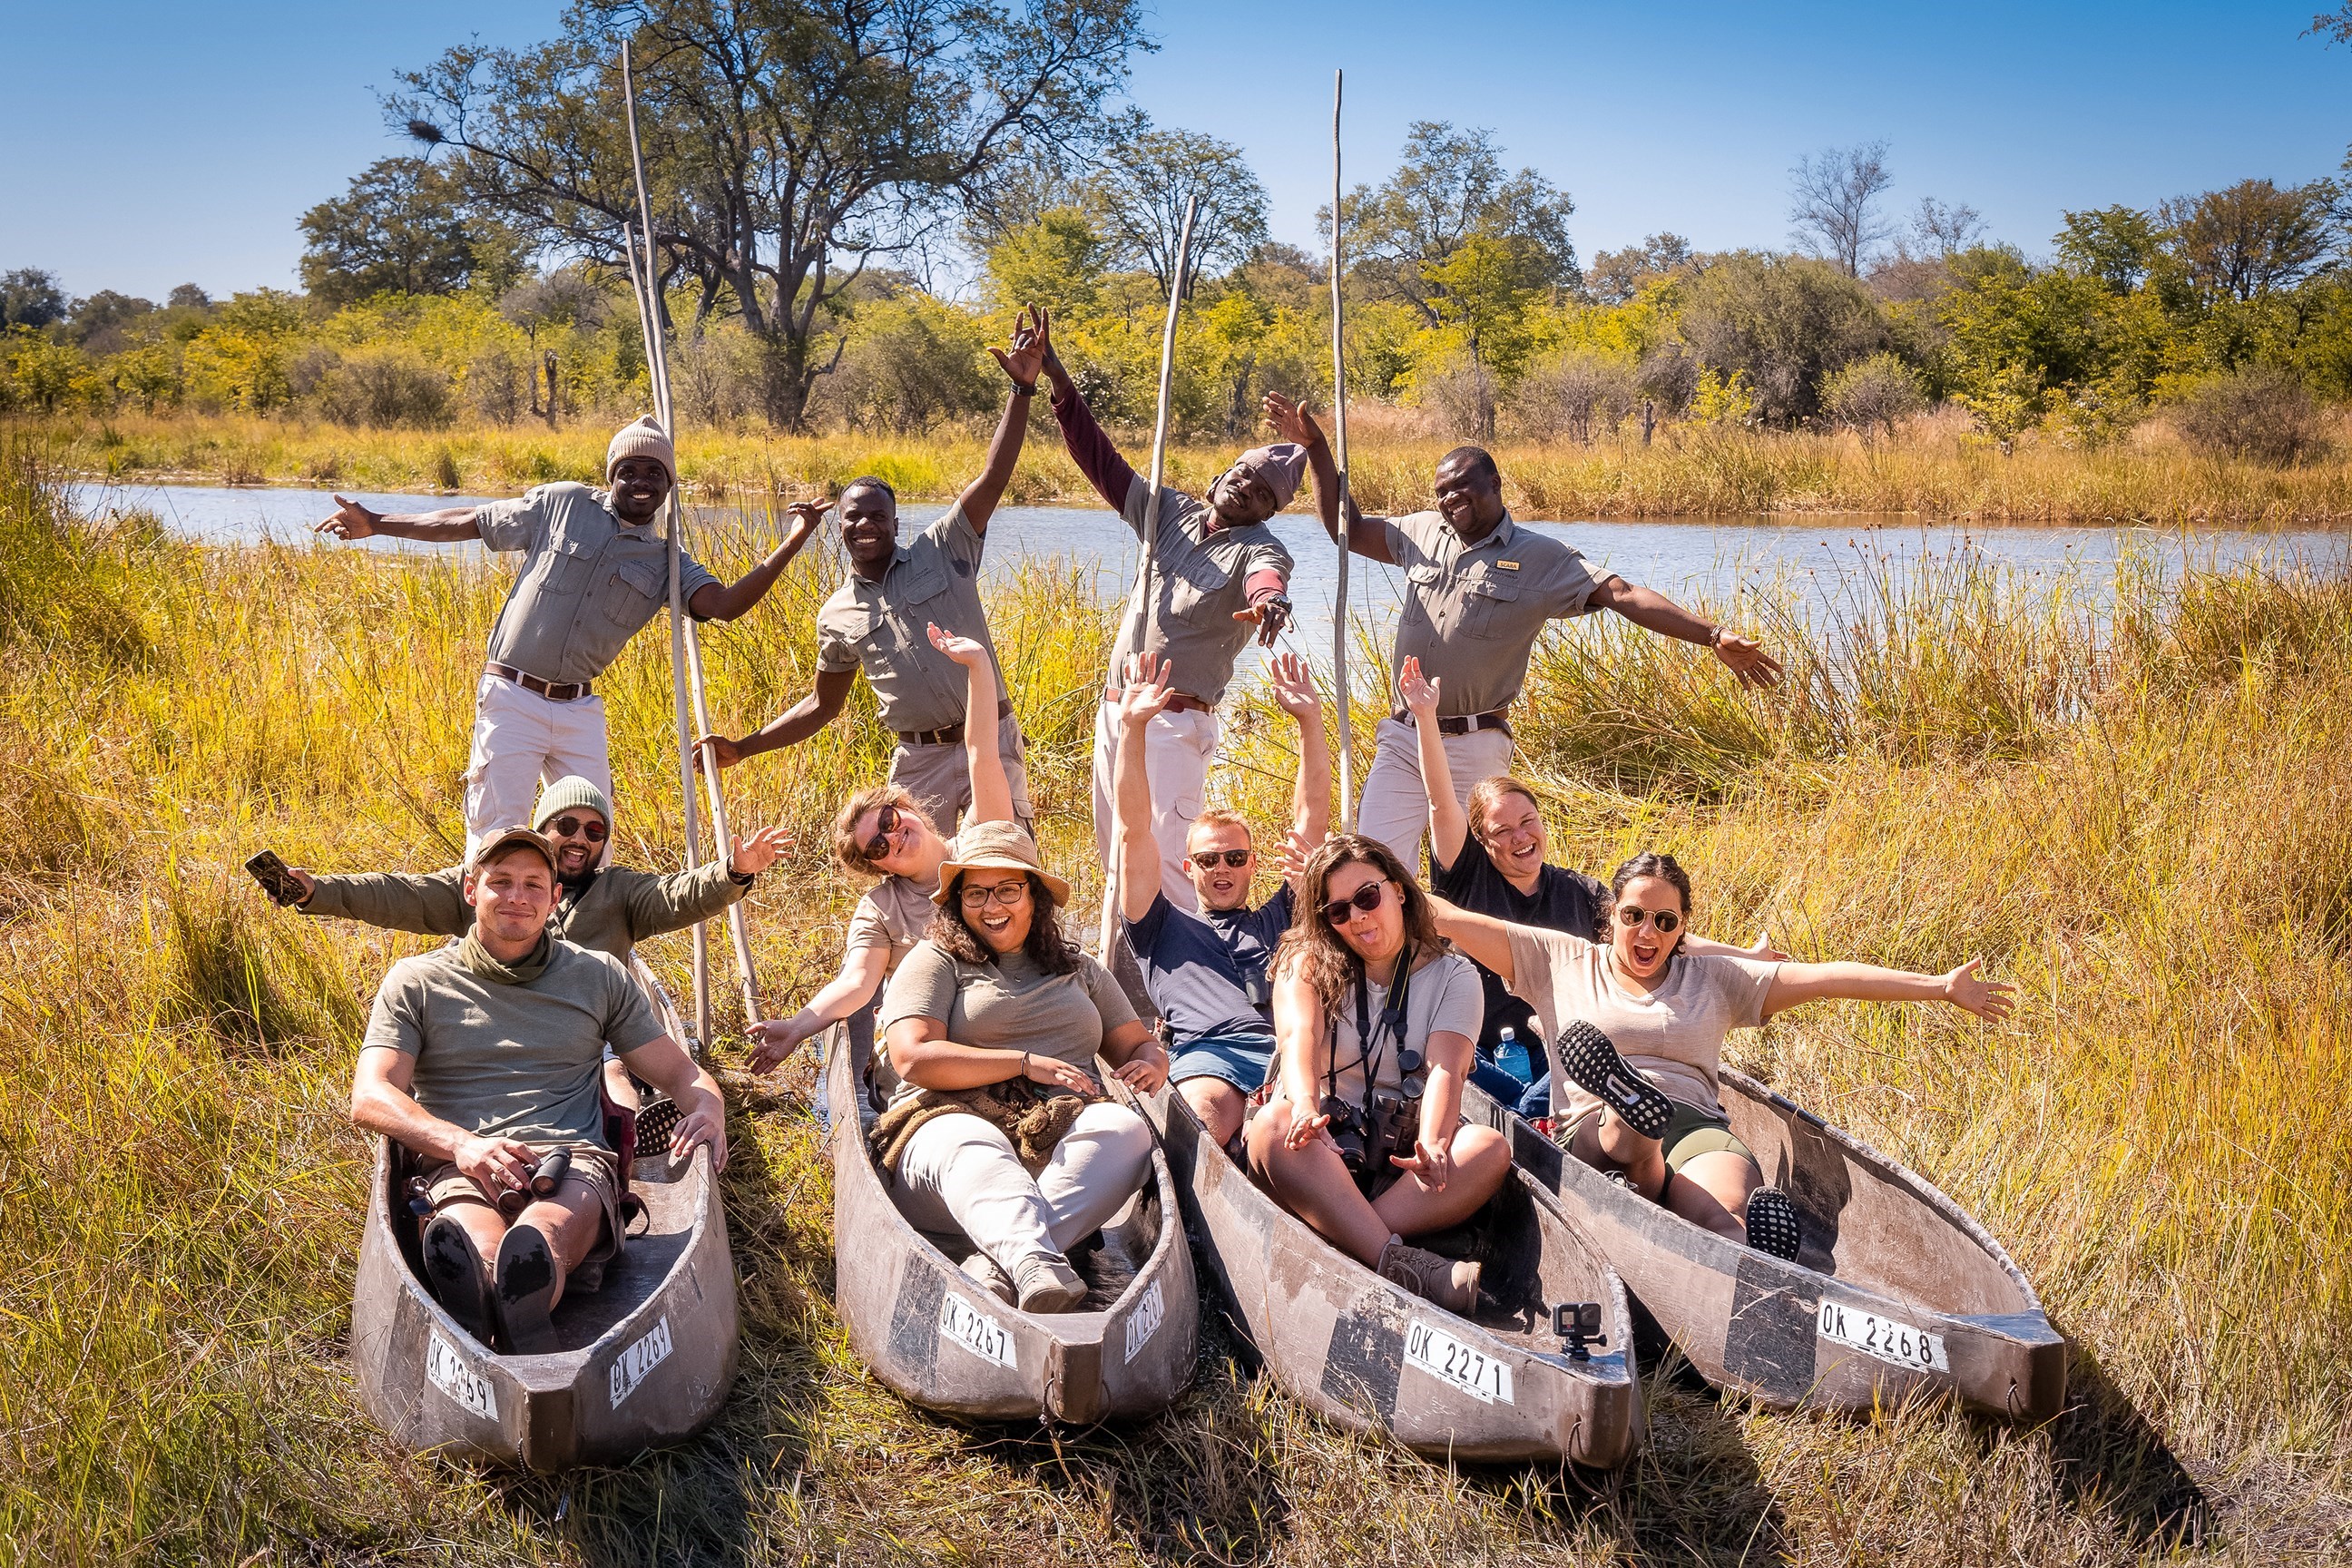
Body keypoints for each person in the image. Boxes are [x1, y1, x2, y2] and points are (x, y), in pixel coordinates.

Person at [1431, 850, 2014, 1260]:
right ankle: (1630, 1111)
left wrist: (1940, 986)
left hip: (1696, 1125)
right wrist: (1360, 878)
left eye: (1665, 921)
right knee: (1623, 1135)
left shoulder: (1713, 978)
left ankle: (1751, 1266)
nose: (1647, 932)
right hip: (1591, 1125)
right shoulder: (1559, 959)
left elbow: (1827, 978)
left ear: (1682, 928)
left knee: (1723, 1216)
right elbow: (1450, 918)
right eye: (1633, 916)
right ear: (1611, 915)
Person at [315, 416, 818, 859]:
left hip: (578, 711)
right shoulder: (563, 504)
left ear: (668, 485)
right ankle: (483, 947)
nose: (640, 482)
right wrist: (378, 523)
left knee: (592, 838)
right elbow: (470, 522)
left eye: (653, 473)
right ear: (611, 476)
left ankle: (579, 948)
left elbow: (724, 607)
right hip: (512, 696)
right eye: (629, 470)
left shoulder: (666, 560)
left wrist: (795, 538)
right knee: (496, 835)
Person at [1298, 443, 1786, 866]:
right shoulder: (1421, 532)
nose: (1450, 499)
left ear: (1495, 483)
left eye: (1462, 486)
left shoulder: (1543, 557)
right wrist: (1318, 448)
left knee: (1482, 871)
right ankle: (1391, 972)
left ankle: (1477, 969)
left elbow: (1622, 593)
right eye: (1442, 491)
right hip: (1404, 737)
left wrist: (1712, 634)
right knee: (1376, 862)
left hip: (1475, 745)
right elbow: (1349, 526)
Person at [348, 827, 728, 1352]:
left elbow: (679, 1073)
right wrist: (463, 1145)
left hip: (570, 1162)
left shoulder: (598, 975)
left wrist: (709, 1106)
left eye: (533, 884)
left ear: (554, 897)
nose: (516, 897)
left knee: (540, 1235)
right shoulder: (416, 981)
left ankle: (519, 1294)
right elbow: (370, 1095)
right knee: (474, 1235)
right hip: (457, 1162)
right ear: (469, 889)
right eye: (500, 882)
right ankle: (481, 1290)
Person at [696, 309, 1052, 834]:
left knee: (1004, 863)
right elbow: (822, 706)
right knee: (920, 881)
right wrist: (743, 748)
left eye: (877, 515)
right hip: (918, 761)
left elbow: (993, 477)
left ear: (894, 522)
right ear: (839, 526)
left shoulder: (943, 547)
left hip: (989, 740)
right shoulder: (838, 614)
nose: (865, 525)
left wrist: (1021, 392)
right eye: (853, 517)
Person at [1396, 657, 1779, 1116]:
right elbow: (1441, 802)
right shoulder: (1466, 874)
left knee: (1568, 1076)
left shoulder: (1577, 891)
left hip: (1560, 1049)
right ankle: (1544, 1112)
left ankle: (1561, 1108)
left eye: (1528, 822)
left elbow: (1658, 934)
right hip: (1479, 1051)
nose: (1521, 838)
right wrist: (1424, 717)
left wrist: (1745, 958)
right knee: (1504, 1094)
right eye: (1503, 831)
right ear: (1481, 840)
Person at [1039, 310, 1319, 907]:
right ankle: (1123, 992)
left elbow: (1268, 581)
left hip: (1172, 724)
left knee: (1165, 861)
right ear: (1223, 474)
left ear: (1268, 511)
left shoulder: (1259, 547)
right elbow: (1099, 459)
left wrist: (1270, 603)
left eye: (1264, 494)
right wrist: (1056, 376)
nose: (1247, 489)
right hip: (1117, 710)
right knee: (1114, 855)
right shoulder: (1167, 511)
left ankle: (1179, 994)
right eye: (1244, 477)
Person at [875, 820, 1169, 1312]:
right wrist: (1025, 1063)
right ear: (956, 902)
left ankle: (1003, 1268)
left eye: (1007, 890)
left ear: (1035, 895)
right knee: (978, 1145)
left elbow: (1139, 1047)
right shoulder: (937, 960)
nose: (991, 907)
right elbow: (912, 1057)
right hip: (945, 1132)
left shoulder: (1079, 969)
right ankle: (1031, 1261)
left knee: (1126, 1130)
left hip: (1057, 1141)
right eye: (975, 894)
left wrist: (1151, 1062)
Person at [1245, 836, 1513, 1314]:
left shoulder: (1455, 975)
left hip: (1396, 1160)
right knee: (1273, 1126)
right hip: (1321, 1150)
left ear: (1400, 892)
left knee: (1489, 1149)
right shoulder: (1303, 961)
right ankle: (1402, 1263)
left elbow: (1445, 1069)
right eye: (1339, 911)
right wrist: (1307, 1107)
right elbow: (1298, 1038)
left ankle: (1347, 1235)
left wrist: (1432, 1142)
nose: (1358, 918)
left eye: (1368, 898)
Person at [740, 624, 1017, 1084]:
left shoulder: (980, 843)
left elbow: (981, 751)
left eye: (889, 821)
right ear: (877, 866)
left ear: (906, 807)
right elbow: (857, 983)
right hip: (933, 1045)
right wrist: (797, 1026)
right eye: (877, 846)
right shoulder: (881, 909)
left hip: (1006, 1023)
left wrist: (978, 666)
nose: (893, 838)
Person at [1108, 651, 1328, 1148]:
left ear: (1253, 863)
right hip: (1209, 1053)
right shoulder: (1157, 924)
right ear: (1189, 869)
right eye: (1208, 860)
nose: (1222, 869)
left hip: (1292, 1051)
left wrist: (1310, 722)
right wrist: (1134, 728)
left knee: (1313, 1129)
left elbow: (1310, 823)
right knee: (1206, 1112)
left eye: (1234, 857)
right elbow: (1132, 831)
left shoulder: (1281, 919)